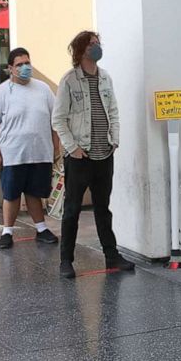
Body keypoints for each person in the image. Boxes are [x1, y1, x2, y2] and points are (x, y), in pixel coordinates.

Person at [53, 31, 135, 279]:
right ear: (80, 50)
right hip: (80, 157)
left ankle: (111, 256)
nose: (97, 47)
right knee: (72, 210)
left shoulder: (105, 78)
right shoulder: (69, 81)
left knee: (103, 208)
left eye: (98, 43)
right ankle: (66, 260)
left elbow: (114, 111)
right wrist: (72, 148)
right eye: (91, 44)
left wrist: (115, 140)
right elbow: (58, 119)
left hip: (104, 153)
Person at [0, 48, 59, 250]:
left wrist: (55, 146)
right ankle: (7, 231)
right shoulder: (2, 92)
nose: (25, 67)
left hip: (39, 152)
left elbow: (55, 120)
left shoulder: (43, 89)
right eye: (19, 64)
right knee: (11, 194)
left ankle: (41, 228)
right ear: (10, 68)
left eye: (27, 62)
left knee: (35, 192)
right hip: (13, 153)